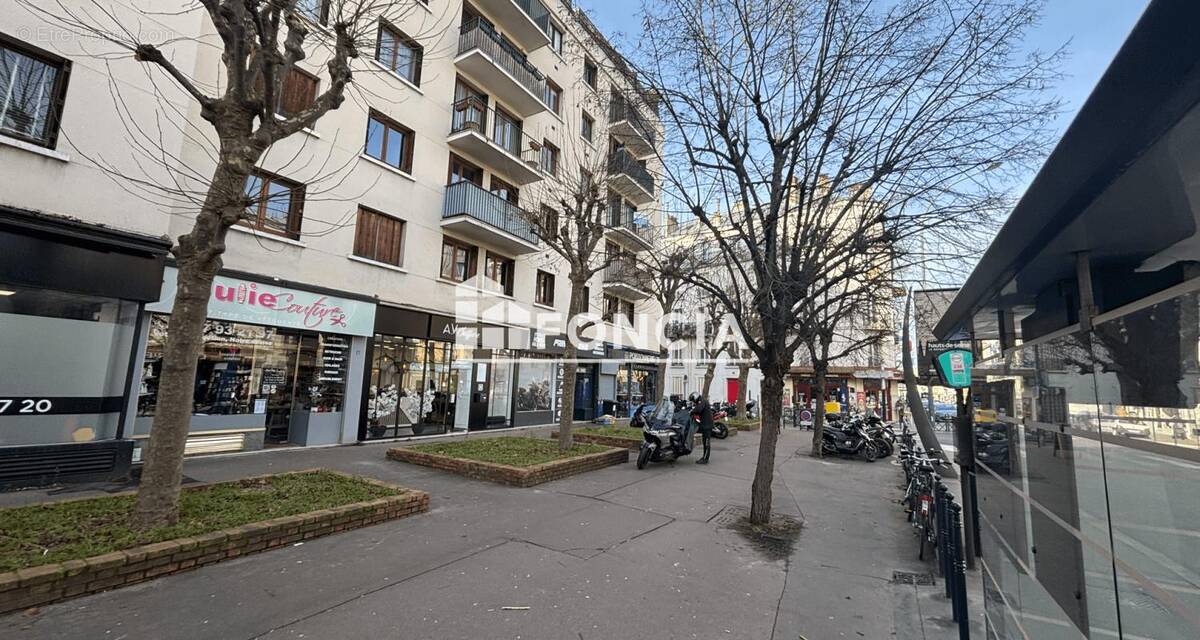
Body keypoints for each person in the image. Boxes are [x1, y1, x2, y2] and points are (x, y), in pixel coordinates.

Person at [689, 392, 714, 464]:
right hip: (705, 424)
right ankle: (704, 457)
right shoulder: (702, 400)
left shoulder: (702, 401)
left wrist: (692, 412)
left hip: (707, 425)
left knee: (706, 442)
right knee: (705, 441)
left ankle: (705, 459)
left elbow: (699, 409)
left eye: (693, 400)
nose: (693, 402)